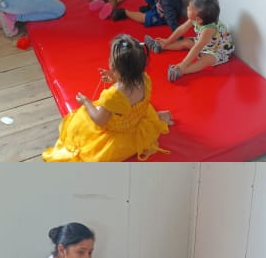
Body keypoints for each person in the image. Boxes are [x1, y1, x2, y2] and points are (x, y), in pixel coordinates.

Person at [41, 34, 172, 162]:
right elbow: (126, 88)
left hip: (119, 140)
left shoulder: (113, 95)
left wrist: (86, 102)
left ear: (114, 66)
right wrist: (114, 77)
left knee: (79, 123)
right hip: (138, 122)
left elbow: (99, 120)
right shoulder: (144, 79)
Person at [144, 0, 235, 83]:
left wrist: (183, 64)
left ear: (198, 19)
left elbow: (197, 48)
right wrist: (167, 41)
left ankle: (181, 71)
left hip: (217, 50)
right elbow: (181, 29)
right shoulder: (195, 19)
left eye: (190, 8)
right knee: (186, 42)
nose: (187, 8)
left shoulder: (209, 29)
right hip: (205, 44)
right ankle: (161, 46)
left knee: (205, 61)